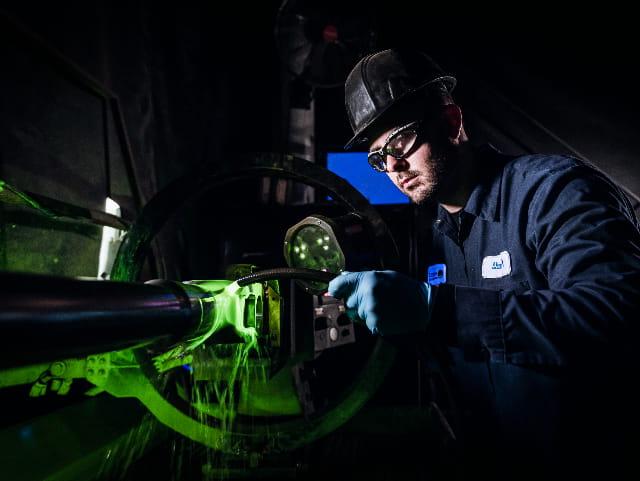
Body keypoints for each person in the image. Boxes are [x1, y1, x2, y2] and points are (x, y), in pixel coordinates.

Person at [328, 48, 640, 479]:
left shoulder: (553, 192)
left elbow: (617, 312)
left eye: (401, 141)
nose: (395, 167)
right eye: (379, 157)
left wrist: (439, 310)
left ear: (453, 123)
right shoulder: (437, 237)